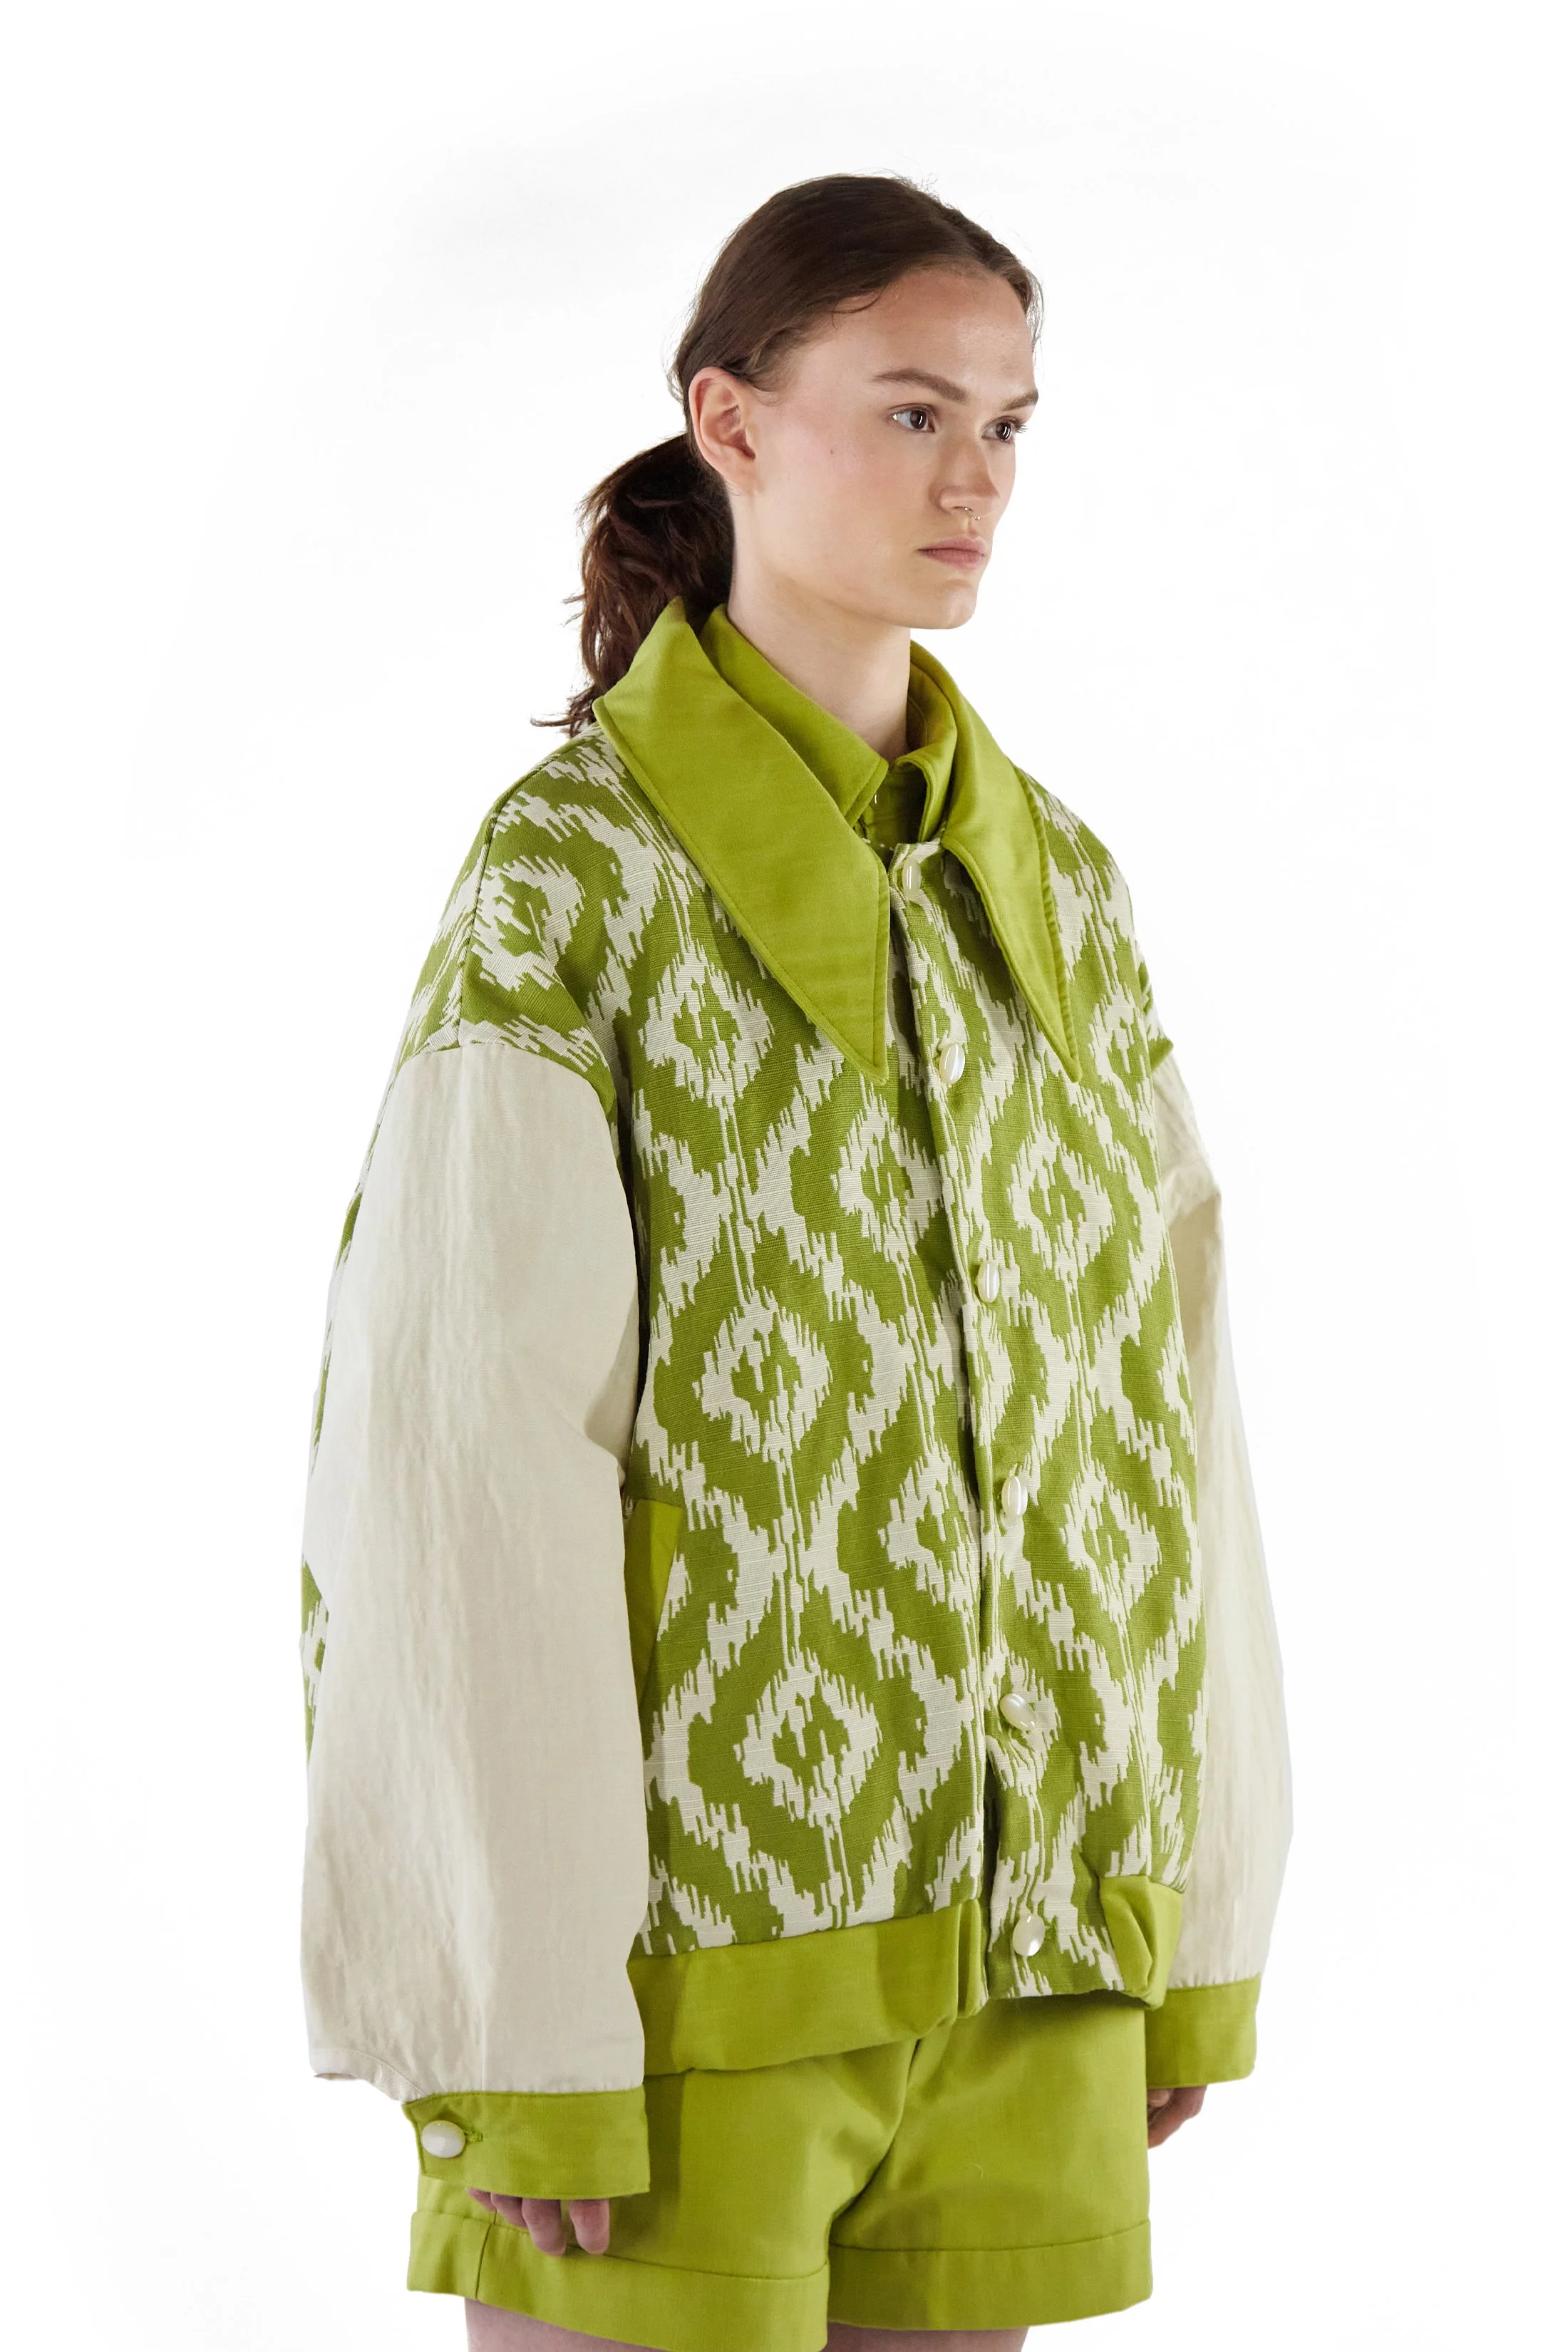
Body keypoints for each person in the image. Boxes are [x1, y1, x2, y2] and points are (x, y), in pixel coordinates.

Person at [298, 172, 1291, 2352]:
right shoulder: (580, 882)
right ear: (727, 418)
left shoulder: (1063, 896)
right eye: (914, 411)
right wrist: (511, 2016)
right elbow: (468, 1465)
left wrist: (1190, 1917)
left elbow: (1173, 1409)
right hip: (680, 1999)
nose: (977, 479)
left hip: (1036, 1969)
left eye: (1009, 424)